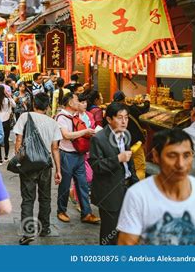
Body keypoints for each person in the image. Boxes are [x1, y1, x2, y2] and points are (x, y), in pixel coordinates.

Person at [117, 128, 195, 245]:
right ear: (156, 156)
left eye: (187, 155)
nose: (180, 164)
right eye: (172, 156)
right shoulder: (138, 195)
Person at [13, 92, 63, 245]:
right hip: (45, 165)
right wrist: (58, 170)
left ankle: (28, 232)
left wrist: (20, 160)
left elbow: (18, 141)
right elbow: (55, 148)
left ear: (34, 104)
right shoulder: (53, 123)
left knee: (28, 199)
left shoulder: (25, 117)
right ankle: (45, 227)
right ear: (48, 107)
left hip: (28, 164)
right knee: (45, 197)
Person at [89, 102, 139, 245]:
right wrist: (117, 158)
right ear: (109, 119)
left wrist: (136, 184)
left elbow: (130, 163)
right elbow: (96, 165)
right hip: (109, 191)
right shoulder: (99, 138)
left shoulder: (125, 135)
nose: (124, 121)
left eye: (126, 117)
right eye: (119, 117)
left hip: (127, 188)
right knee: (110, 232)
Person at [55, 93, 100, 225]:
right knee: (65, 185)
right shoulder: (61, 117)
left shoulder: (78, 115)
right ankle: (61, 211)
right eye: (76, 100)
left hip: (80, 154)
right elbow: (66, 135)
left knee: (83, 184)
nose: (79, 102)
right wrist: (85, 132)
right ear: (70, 103)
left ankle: (86, 213)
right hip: (67, 155)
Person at [113, 91, 147, 181]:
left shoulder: (110, 111)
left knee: (125, 167)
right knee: (139, 167)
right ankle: (138, 187)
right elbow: (143, 111)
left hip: (119, 145)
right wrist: (147, 101)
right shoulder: (130, 108)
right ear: (124, 99)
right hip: (134, 143)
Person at [0, 85, 16, 165]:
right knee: (6, 140)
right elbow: (14, 105)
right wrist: (9, 96)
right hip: (6, 122)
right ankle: (6, 157)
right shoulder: (7, 100)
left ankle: (0, 160)